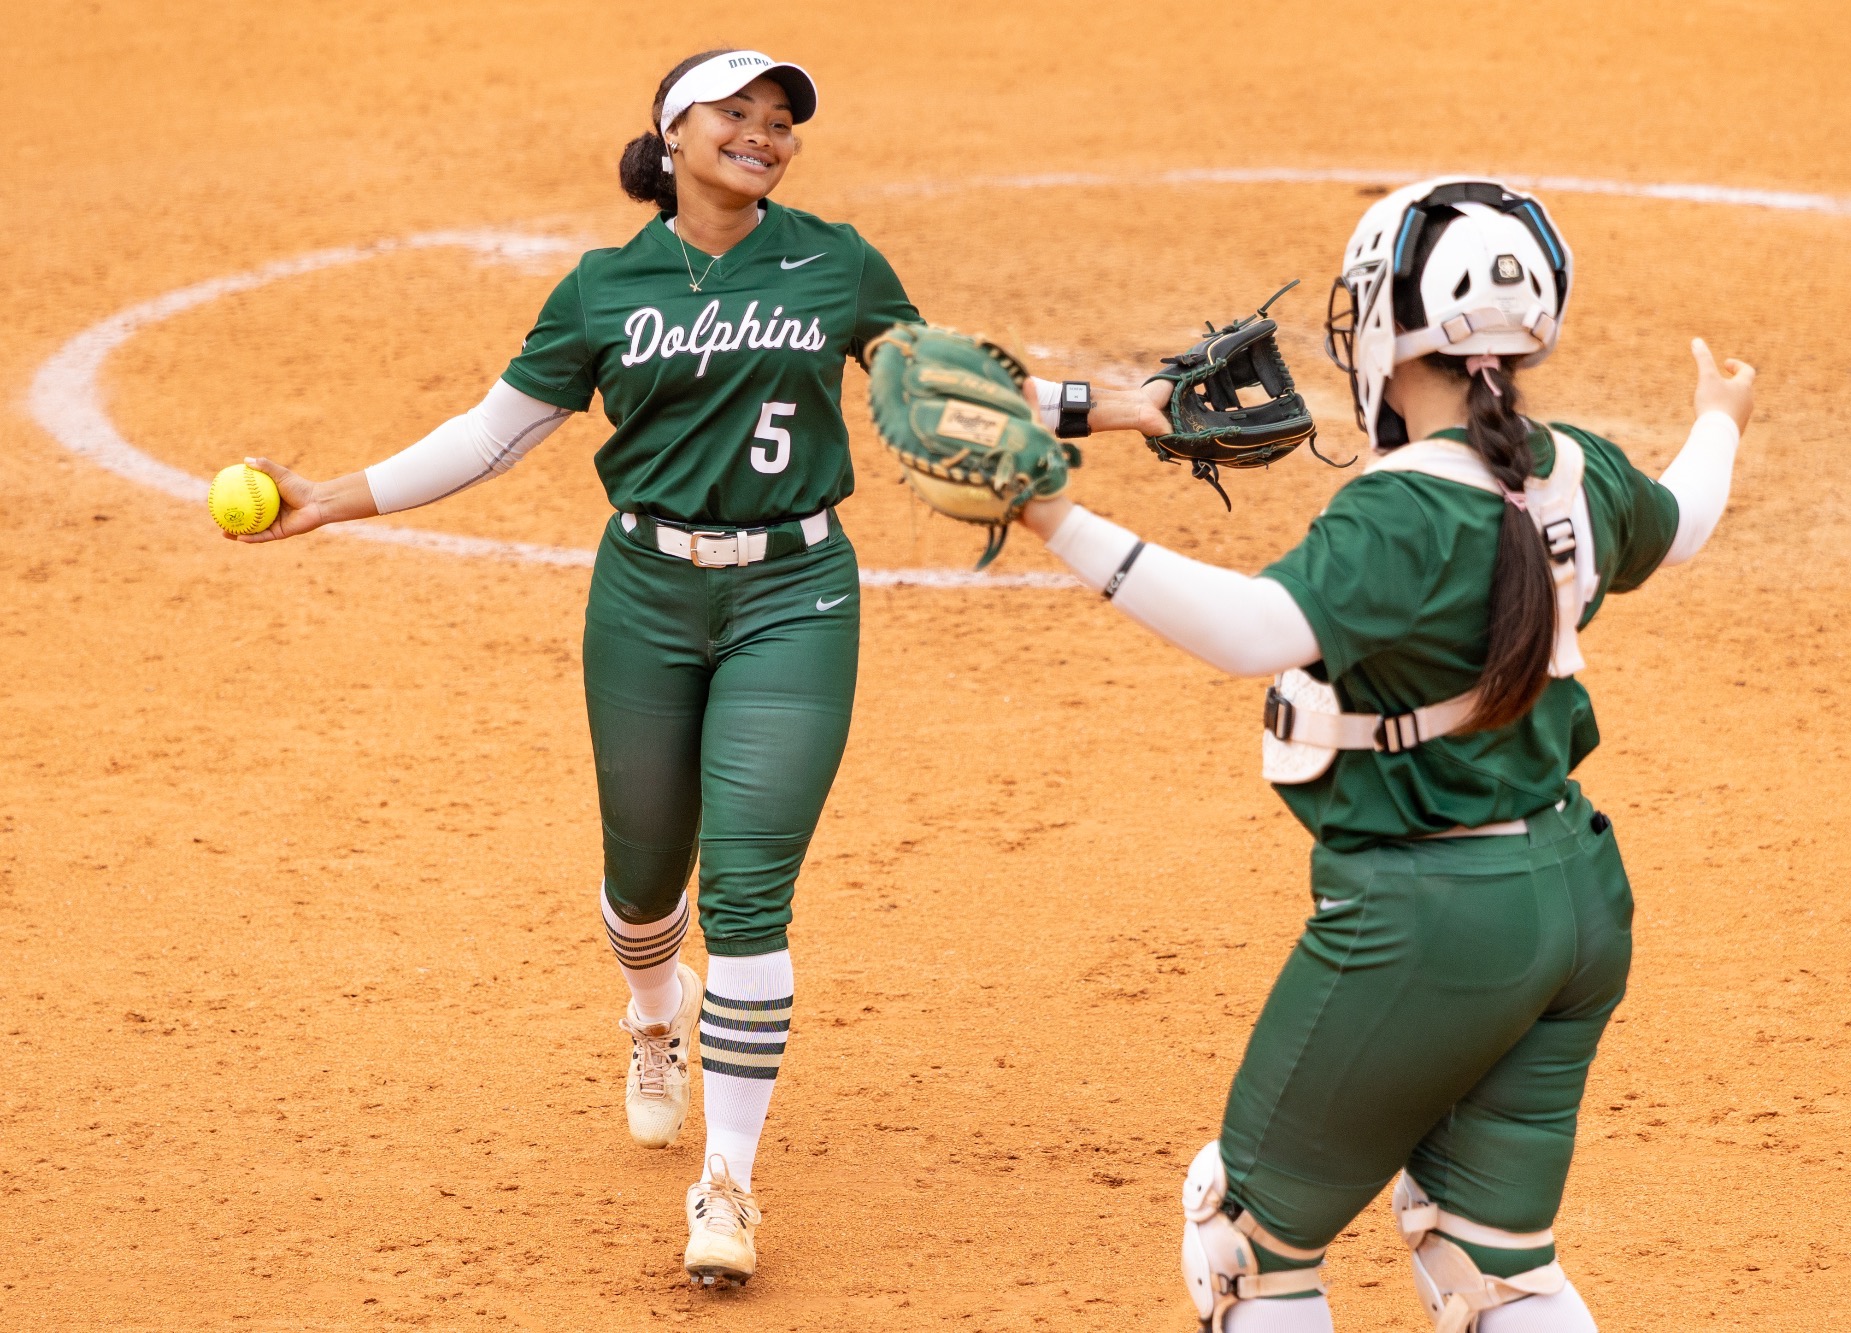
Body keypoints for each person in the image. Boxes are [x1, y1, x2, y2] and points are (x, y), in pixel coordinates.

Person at [223, 47, 1159, 1287]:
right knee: (641, 883)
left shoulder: (836, 261)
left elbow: (956, 388)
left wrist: (1130, 404)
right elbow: (493, 435)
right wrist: (329, 499)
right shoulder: (602, 288)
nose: (764, 133)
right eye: (737, 113)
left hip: (795, 594)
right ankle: (652, 1018)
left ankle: (727, 1184)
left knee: (750, 894)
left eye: (781, 120)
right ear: (672, 135)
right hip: (645, 598)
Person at [1013, 177, 1756, 1331]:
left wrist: (1049, 516)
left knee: (1246, 1241)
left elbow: (1252, 633)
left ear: (1380, 323)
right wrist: (1718, 414)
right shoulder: (1578, 468)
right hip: (1574, 900)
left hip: (1431, 916)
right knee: (1488, 1258)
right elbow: (1687, 516)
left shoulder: (1402, 510)